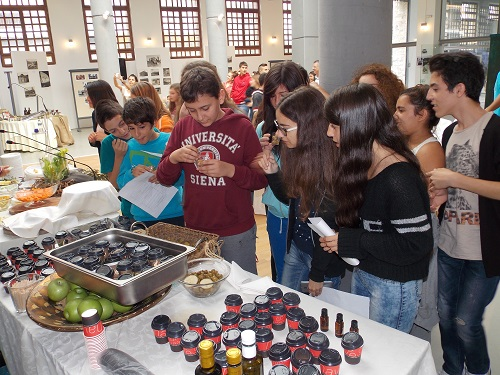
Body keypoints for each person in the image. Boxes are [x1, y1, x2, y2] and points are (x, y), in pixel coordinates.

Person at [322, 83, 433, 333]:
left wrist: (353, 240)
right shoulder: (366, 163)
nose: (330, 134)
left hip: (394, 285)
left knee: (385, 356)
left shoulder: (398, 177)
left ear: (357, 126)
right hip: (368, 272)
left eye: (334, 126)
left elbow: (416, 245)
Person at [426, 51, 500, 375]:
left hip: (483, 250)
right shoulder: (447, 133)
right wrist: (443, 192)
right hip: (448, 243)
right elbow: (455, 188)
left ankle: (478, 371)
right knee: (444, 316)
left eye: (434, 87)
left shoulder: (495, 131)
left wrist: (454, 179)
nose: (429, 95)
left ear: (458, 90)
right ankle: (452, 370)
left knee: (466, 320)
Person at [156, 66, 267, 274]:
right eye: (192, 110)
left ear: (221, 96)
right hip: (196, 228)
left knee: (241, 287)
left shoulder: (242, 127)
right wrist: (173, 157)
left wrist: (230, 170)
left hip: (236, 229)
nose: (200, 116)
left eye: (205, 108)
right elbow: (163, 177)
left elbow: (260, 180)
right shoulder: (182, 127)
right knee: (202, 287)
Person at [258, 86, 346, 295]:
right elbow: (291, 200)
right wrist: (273, 173)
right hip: (297, 248)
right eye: (279, 126)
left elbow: (330, 229)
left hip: (322, 260)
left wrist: (317, 273)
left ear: (309, 127)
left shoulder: (333, 169)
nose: (278, 134)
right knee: (286, 301)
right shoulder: (297, 154)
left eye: (285, 128)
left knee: (318, 316)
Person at [394, 84, 445, 334]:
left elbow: (420, 199)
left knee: (417, 305)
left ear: (422, 114)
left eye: (402, 110)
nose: (396, 115)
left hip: (418, 233)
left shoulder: (430, 150)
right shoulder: (406, 145)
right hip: (403, 231)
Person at [256, 61, 309, 283]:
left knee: (309, 279)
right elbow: (258, 178)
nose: (278, 102)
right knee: (283, 276)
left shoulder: (314, 128)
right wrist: (261, 155)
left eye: (284, 95)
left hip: (307, 215)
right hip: (278, 214)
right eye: (272, 96)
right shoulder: (264, 127)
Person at [118, 96, 184, 226]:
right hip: (142, 216)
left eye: (141, 127)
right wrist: (131, 173)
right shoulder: (129, 147)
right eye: (131, 128)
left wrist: (165, 176)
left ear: (154, 121)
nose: (137, 134)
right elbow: (120, 183)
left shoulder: (171, 141)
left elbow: (185, 177)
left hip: (174, 213)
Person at [94, 99, 133, 218]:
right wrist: (119, 156)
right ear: (106, 131)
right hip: (130, 207)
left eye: (122, 124)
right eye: (113, 131)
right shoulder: (108, 143)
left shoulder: (145, 131)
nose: (122, 131)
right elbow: (114, 184)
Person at [86, 80, 119, 156]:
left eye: (89, 96)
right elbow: (99, 141)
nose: (87, 99)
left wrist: (106, 138)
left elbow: (126, 140)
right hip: (105, 158)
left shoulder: (116, 113)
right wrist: (93, 140)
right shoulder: (95, 113)